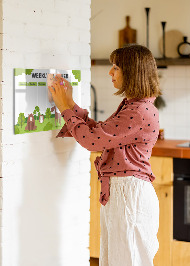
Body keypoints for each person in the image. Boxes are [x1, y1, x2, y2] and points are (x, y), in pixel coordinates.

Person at [48, 44, 161, 266]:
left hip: (129, 195)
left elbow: (92, 141)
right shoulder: (134, 106)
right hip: (124, 193)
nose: (110, 72)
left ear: (132, 71)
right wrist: (70, 104)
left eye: (116, 67)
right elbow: (101, 133)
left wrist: (64, 108)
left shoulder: (138, 111)